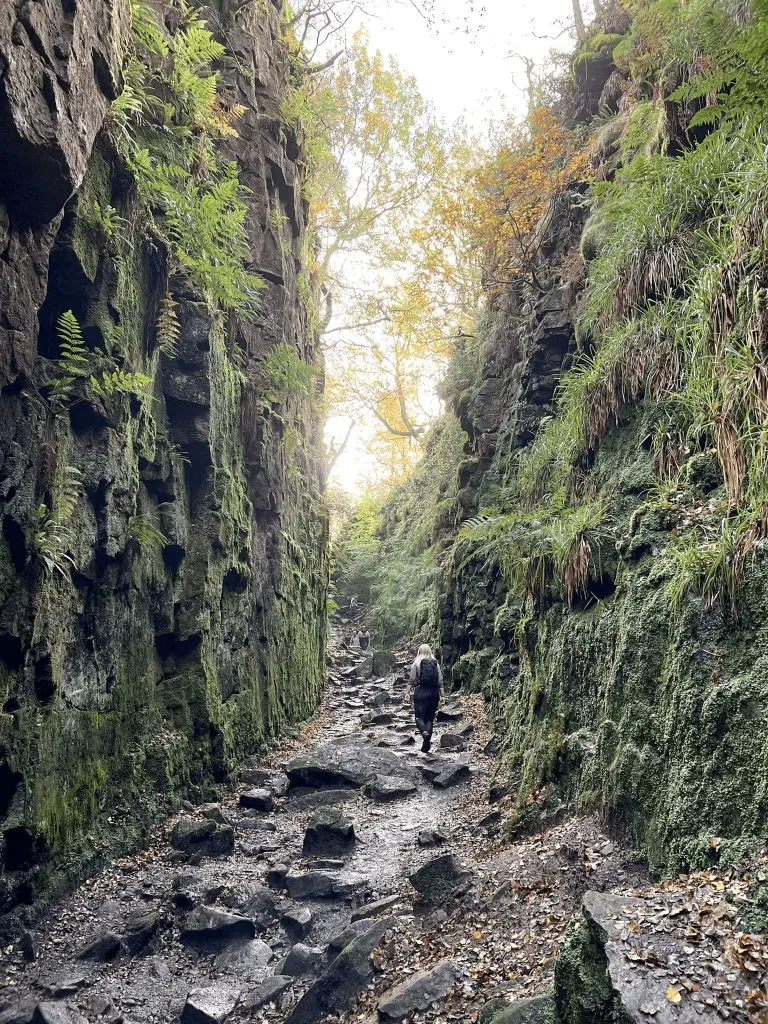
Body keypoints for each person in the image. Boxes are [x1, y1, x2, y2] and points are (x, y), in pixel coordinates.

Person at [409, 644, 444, 753]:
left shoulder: (416, 662)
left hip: (420, 692)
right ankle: (426, 744)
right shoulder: (435, 663)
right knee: (429, 719)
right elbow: (440, 681)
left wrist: (406, 692)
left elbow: (411, 679)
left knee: (419, 718)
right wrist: (442, 696)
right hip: (434, 692)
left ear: (419, 651)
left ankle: (424, 733)